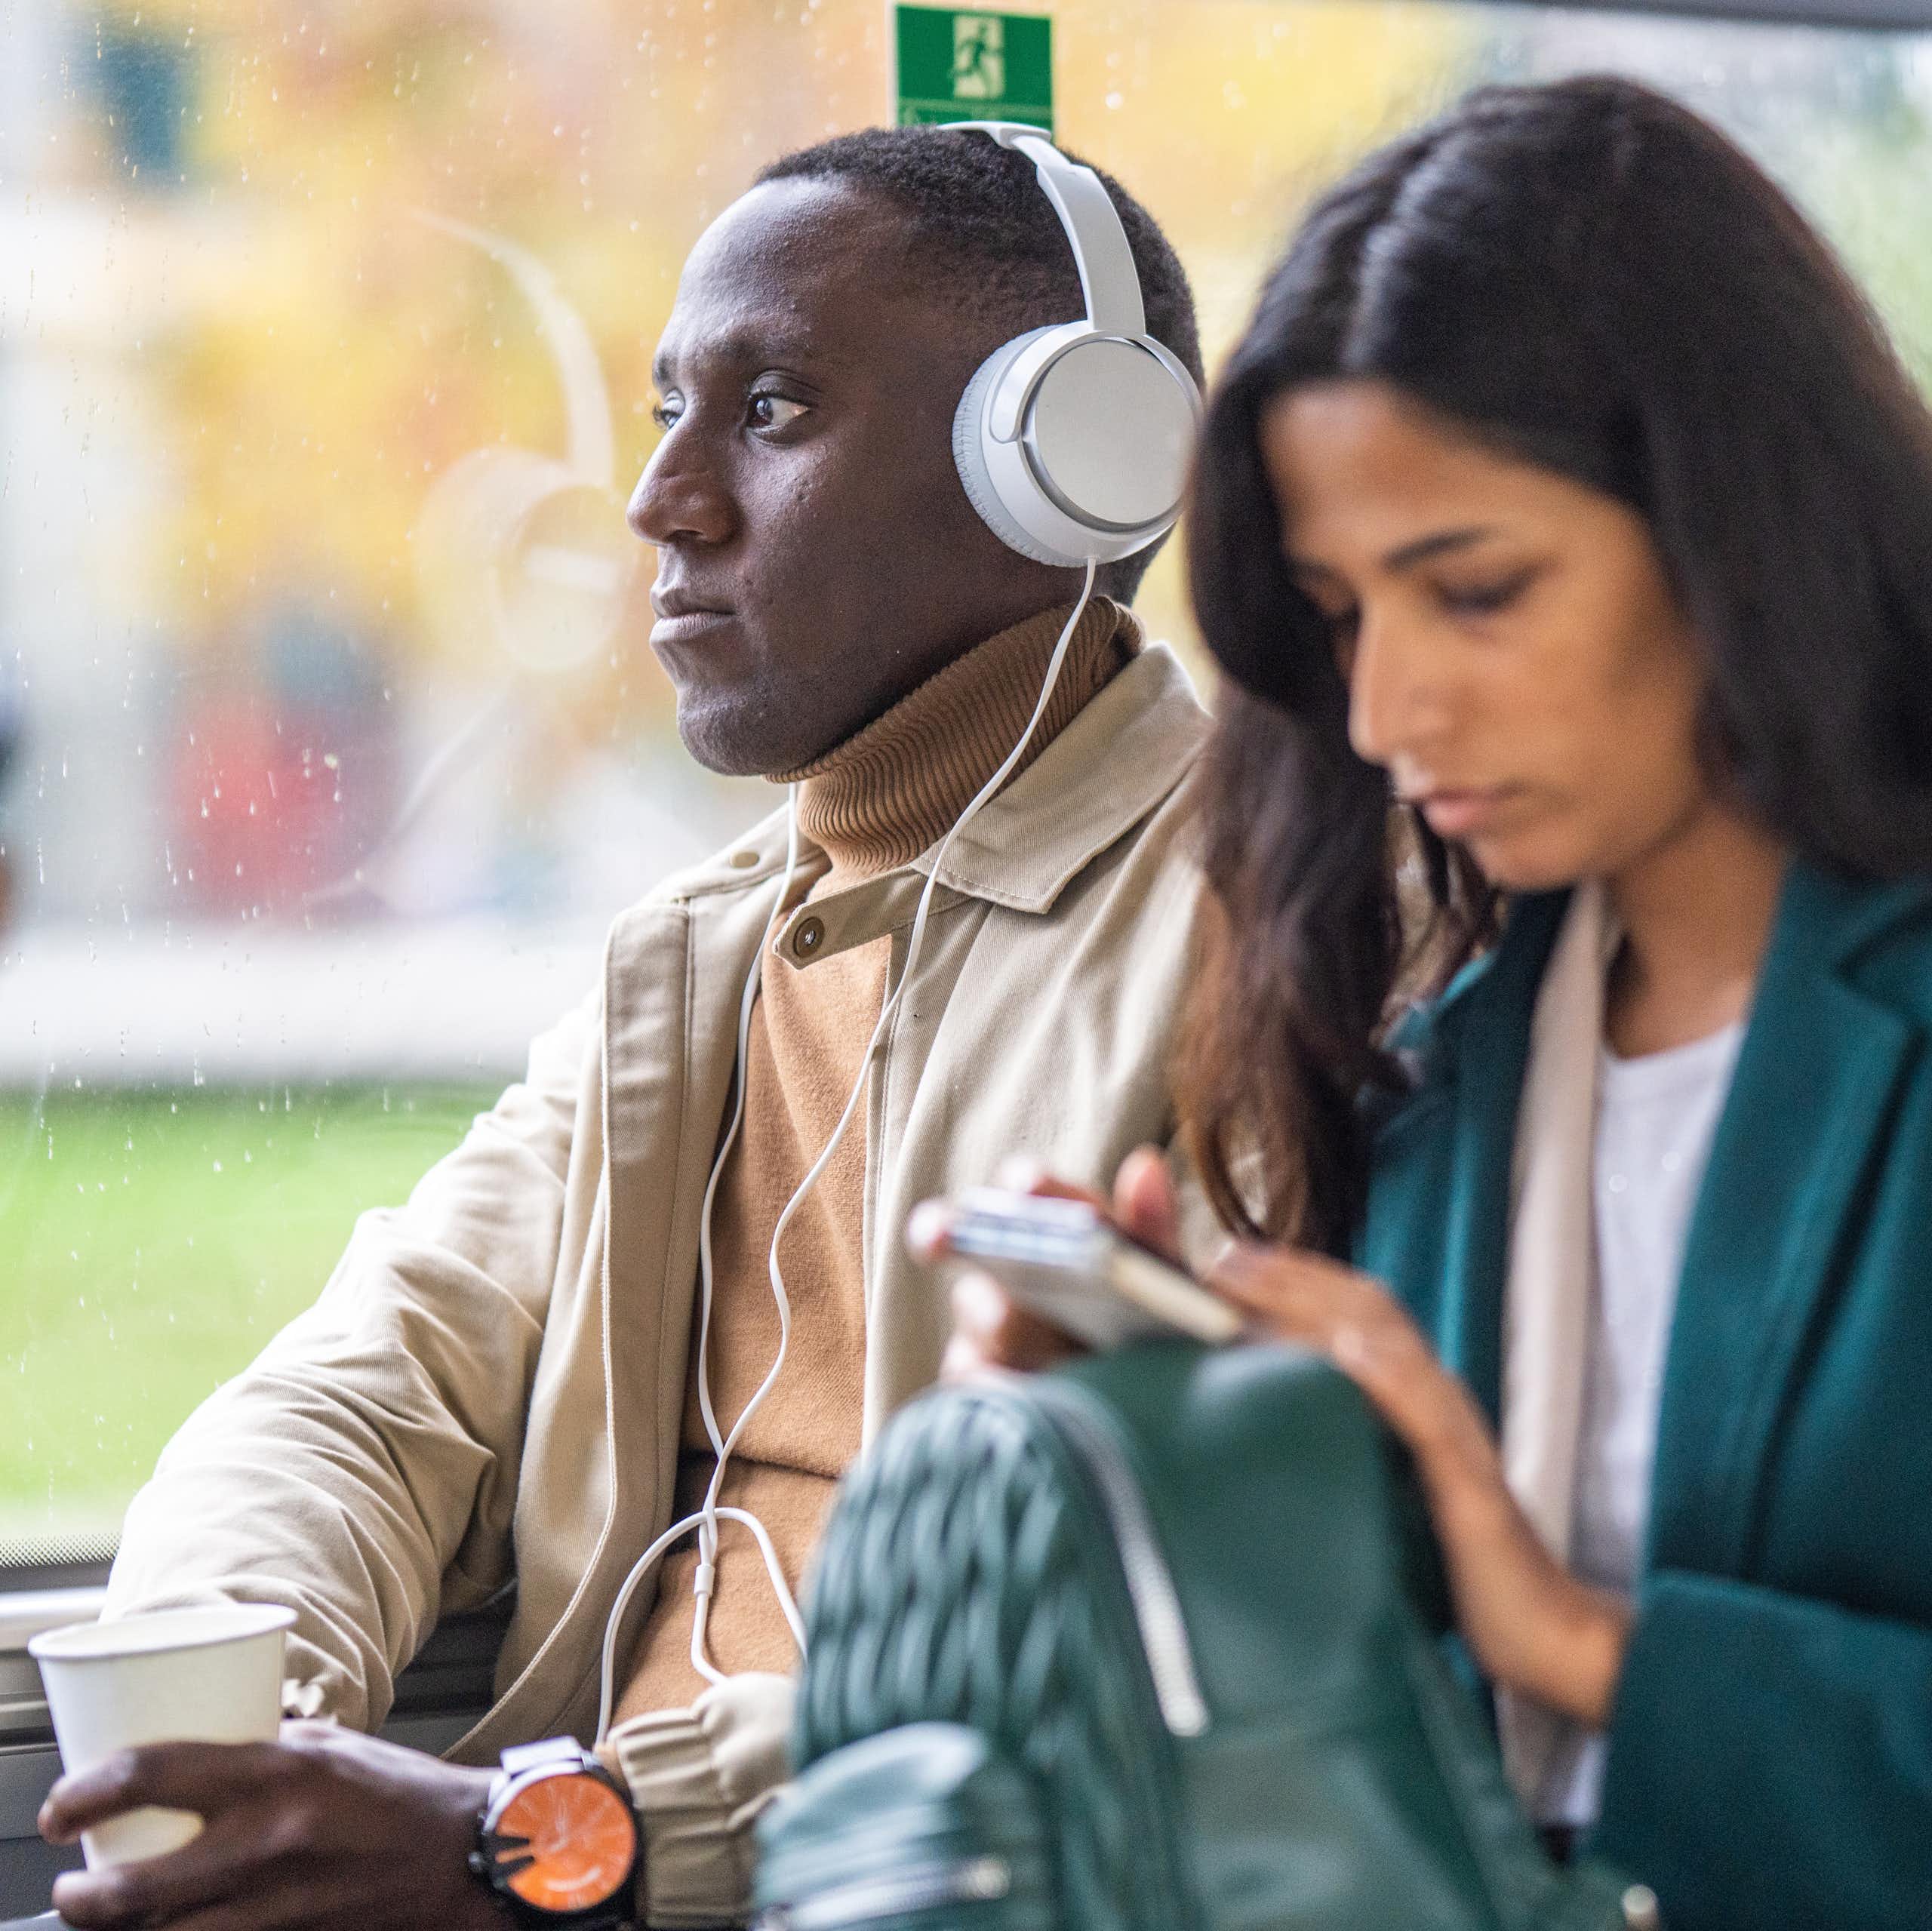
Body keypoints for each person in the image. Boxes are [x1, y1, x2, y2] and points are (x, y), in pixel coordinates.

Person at [37, 127, 1209, 1931]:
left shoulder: (1260, 936)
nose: (662, 496)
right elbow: (373, 1384)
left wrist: (553, 1833)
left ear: (1065, 462)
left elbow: (1165, 1642)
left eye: (772, 411)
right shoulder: (705, 953)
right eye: (671, 403)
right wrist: (245, 1735)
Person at [946, 76, 1932, 1931]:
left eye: (1472, 592)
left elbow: (1542, 1655)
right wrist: (1192, 1456)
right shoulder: (1444, 1067)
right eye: (1335, 618)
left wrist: (1583, 1639)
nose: (1387, 717)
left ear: (1742, 530)